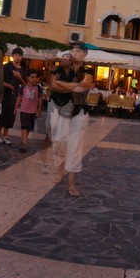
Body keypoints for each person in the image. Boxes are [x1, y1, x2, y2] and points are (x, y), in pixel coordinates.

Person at [44, 42, 95, 197]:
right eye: (72, 50)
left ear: (84, 54)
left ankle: (71, 183)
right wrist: (70, 85)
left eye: (78, 51)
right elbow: (52, 86)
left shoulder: (88, 71)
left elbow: (83, 86)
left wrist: (62, 84)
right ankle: (60, 170)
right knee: (59, 143)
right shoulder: (61, 69)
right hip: (62, 111)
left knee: (75, 148)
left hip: (79, 113)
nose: (74, 53)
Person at [0, 46, 25, 146]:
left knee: (11, 115)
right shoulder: (7, 66)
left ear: (22, 57)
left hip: (15, 96)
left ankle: (6, 135)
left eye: (19, 56)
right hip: (5, 94)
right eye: (16, 55)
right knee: (3, 114)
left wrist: (19, 77)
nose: (17, 57)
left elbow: (25, 83)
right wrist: (8, 85)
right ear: (13, 56)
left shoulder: (22, 69)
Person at [16, 70, 42, 152]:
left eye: (36, 77)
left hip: (33, 111)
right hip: (24, 110)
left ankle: (24, 140)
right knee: (24, 126)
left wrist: (39, 110)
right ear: (27, 78)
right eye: (32, 77)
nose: (34, 79)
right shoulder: (23, 87)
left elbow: (40, 99)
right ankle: (24, 143)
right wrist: (16, 107)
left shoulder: (38, 88)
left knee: (29, 127)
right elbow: (19, 97)